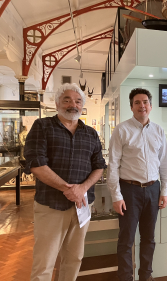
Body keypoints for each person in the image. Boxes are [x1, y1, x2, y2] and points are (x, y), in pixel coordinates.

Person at [24, 83, 106, 281]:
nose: (73, 105)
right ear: (57, 102)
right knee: (45, 261)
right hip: (51, 204)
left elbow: (99, 166)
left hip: (81, 205)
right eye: (67, 100)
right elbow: (36, 163)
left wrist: (82, 189)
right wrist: (67, 189)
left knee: (74, 258)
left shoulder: (90, 134)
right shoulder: (42, 126)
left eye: (78, 101)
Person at [107, 88, 167, 281]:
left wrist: (164, 190)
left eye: (145, 102)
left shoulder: (159, 130)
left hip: (153, 190)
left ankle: (146, 276)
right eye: (137, 102)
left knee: (148, 238)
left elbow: (165, 164)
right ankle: (126, 277)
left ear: (150, 106)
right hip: (129, 191)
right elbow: (113, 165)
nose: (141, 105)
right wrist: (116, 196)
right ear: (131, 107)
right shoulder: (122, 130)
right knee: (126, 240)